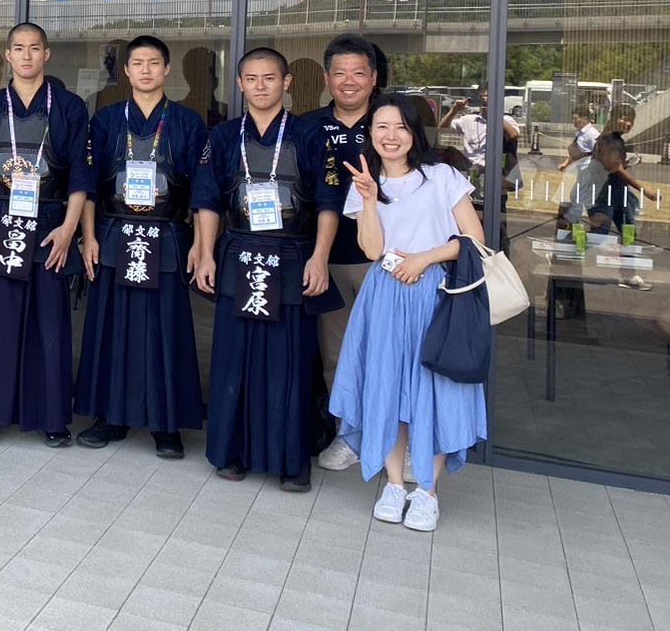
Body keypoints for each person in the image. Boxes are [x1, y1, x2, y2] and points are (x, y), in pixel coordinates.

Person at [331, 93, 489, 532]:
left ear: (414, 133)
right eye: (381, 127)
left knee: (434, 391)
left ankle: (428, 493)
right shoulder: (366, 183)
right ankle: (395, 485)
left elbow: (474, 239)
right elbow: (372, 250)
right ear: (370, 134)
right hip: (385, 294)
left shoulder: (442, 177)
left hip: (436, 294)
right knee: (388, 387)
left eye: (400, 127)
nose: (391, 136)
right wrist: (368, 199)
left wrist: (424, 258)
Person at [191, 47, 343, 491]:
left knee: (289, 364)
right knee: (233, 360)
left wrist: (320, 257)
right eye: (252, 79)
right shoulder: (223, 136)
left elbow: (329, 204)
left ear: (286, 83)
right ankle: (230, 451)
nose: (261, 86)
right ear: (240, 84)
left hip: (293, 257)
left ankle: (292, 461)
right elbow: (208, 201)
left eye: (270, 78)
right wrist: (205, 253)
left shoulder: (310, 135)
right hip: (239, 252)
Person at [0, 22, 91, 447]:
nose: (27, 55)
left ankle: (51, 417)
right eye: (19, 48)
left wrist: (70, 228)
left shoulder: (68, 106)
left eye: (35, 48)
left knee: (48, 324)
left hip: (50, 221)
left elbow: (80, 174)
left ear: (46, 54)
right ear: (8, 54)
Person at [75, 35, 208, 458]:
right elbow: (89, 187)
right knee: (111, 329)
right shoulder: (106, 120)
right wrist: (89, 237)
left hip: (166, 237)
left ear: (167, 70)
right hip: (115, 234)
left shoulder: (187, 122)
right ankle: (109, 417)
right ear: (126, 71)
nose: (146, 70)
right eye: (138, 63)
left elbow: (203, 192)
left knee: (164, 331)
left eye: (153, 63)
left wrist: (201, 245)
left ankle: (165, 425)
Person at [305, 34, 383, 472]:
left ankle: (396, 438)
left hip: (385, 260)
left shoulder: (391, 123)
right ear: (326, 78)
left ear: (373, 78)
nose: (349, 81)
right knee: (336, 355)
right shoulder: (308, 126)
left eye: (358, 73)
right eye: (340, 73)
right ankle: (348, 435)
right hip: (328, 259)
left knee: (389, 352)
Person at [557, 105, 601, 173]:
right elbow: (577, 152)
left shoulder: (592, 134)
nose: (573, 121)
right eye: (572, 119)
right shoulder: (580, 133)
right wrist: (566, 164)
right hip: (582, 169)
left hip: (590, 171)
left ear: (585, 118)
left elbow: (601, 153)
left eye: (575, 118)